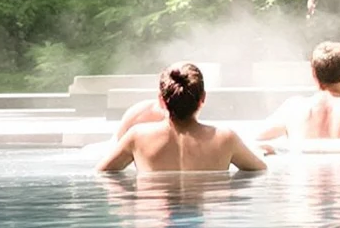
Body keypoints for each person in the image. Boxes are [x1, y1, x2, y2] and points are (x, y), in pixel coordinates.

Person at [97, 62, 265, 176]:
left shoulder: (137, 137)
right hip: (208, 213)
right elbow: (260, 171)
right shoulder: (225, 138)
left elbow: (102, 173)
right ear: (203, 98)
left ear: (161, 100)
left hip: (156, 213)